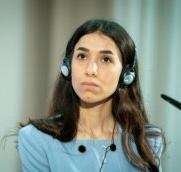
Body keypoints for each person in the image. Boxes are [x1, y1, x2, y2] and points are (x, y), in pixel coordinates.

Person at [18, 19, 166, 172]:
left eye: (106, 59)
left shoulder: (146, 140)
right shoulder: (36, 139)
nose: (91, 70)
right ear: (68, 66)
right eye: (82, 56)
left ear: (126, 74)